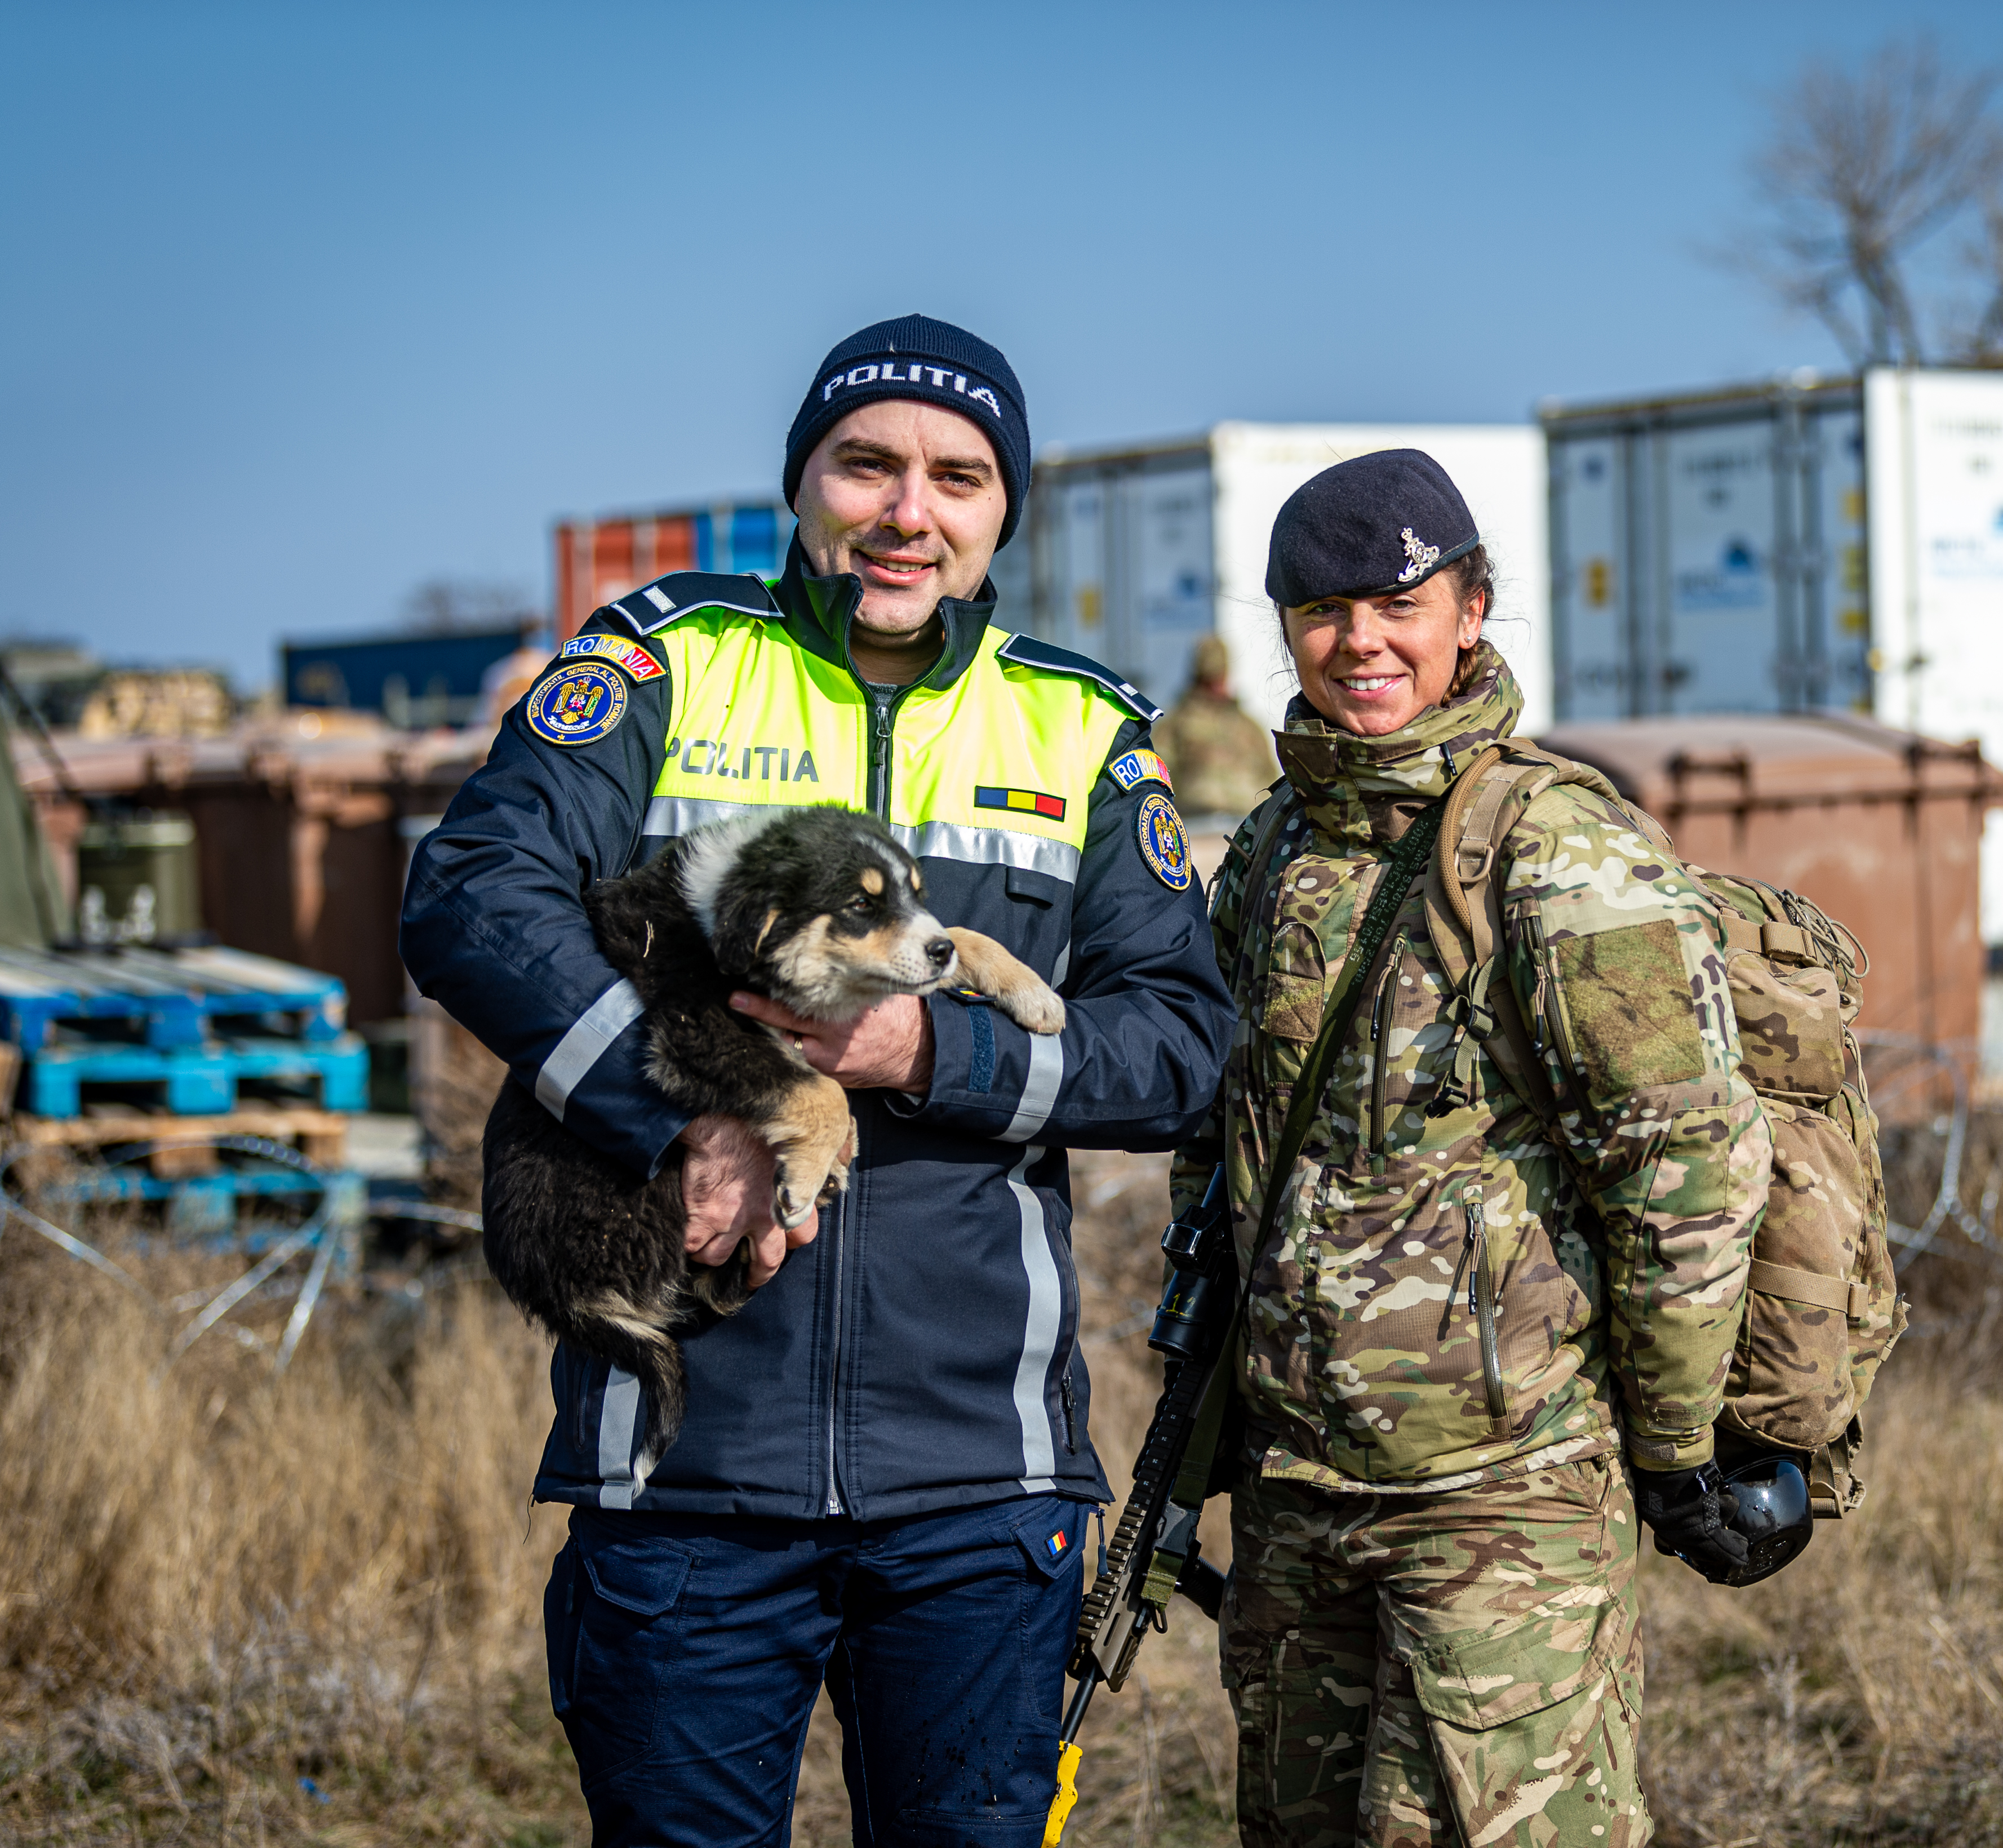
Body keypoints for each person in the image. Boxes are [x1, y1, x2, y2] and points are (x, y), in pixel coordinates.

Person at [402, 313, 1236, 1845]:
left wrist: (932, 1050)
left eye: (958, 478)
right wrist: (682, 1120)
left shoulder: (1086, 727)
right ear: (803, 486)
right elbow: (469, 895)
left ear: (1002, 514)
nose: (907, 511)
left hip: (984, 1496)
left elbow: (1186, 1049)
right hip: (684, 1481)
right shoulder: (661, 659)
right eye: (867, 464)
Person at [1169, 450, 1774, 1847]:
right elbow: (1229, 1141)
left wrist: (1677, 1445)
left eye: (1398, 603)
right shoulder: (1270, 848)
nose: (1360, 641)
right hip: (1297, 1491)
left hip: (1500, 1497)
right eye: (1320, 611)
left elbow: (1683, 1165)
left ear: (1471, 608)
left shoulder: (1558, 846)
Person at [1151, 632, 1280, 821]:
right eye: (1208, 681)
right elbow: (1157, 779)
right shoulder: (1176, 725)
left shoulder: (1248, 726)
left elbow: (1270, 778)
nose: (1216, 688)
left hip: (1246, 824)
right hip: (1195, 824)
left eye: (1219, 678)